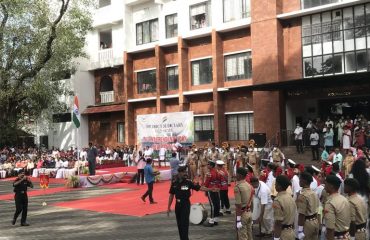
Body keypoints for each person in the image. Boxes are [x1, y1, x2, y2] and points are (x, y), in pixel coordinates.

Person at [167, 166, 209, 240]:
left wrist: (210, 189)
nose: (185, 173)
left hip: (185, 204)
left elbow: (199, 188)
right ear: (179, 173)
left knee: (184, 224)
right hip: (178, 205)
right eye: (183, 172)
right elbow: (171, 195)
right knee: (179, 224)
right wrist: (168, 207)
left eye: (185, 172)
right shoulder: (174, 182)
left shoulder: (188, 182)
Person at [323, 175, 351, 240]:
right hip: (346, 236)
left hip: (336, 237)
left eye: (326, 183)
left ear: (331, 186)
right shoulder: (344, 199)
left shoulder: (330, 203)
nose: (324, 186)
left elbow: (330, 228)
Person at [296, 172, 320, 240]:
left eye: (300, 179)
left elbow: (301, 214)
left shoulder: (303, 195)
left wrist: (300, 230)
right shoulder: (314, 193)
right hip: (315, 221)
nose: (299, 181)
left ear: (304, 181)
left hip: (307, 223)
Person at [272, 175, 296, 240]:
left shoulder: (278, 200)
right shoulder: (290, 197)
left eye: (276, 184)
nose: (275, 185)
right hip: (291, 232)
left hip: (282, 234)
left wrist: (276, 238)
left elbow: (278, 222)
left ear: (279, 186)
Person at [234, 167, 254, 240]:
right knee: (249, 235)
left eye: (237, 174)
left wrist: (238, 219)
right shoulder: (249, 185)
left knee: (242, 236)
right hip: (249, 212)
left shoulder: (238, 187)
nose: (235, 175)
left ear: (240, 175)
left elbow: (238, 204)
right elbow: (252, 202)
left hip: (242, 213)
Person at [203, 160, 221, 226]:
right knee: (217, 204)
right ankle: (216, 220)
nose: (207, 165)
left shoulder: (209, 173)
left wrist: (205, 191)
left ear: (211, 166)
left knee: (212, 205)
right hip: (216, 189)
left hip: (210, 189)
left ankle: (211, 221)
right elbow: (219, 180)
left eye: (208, 164)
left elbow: (206, 183)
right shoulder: (217, 172)